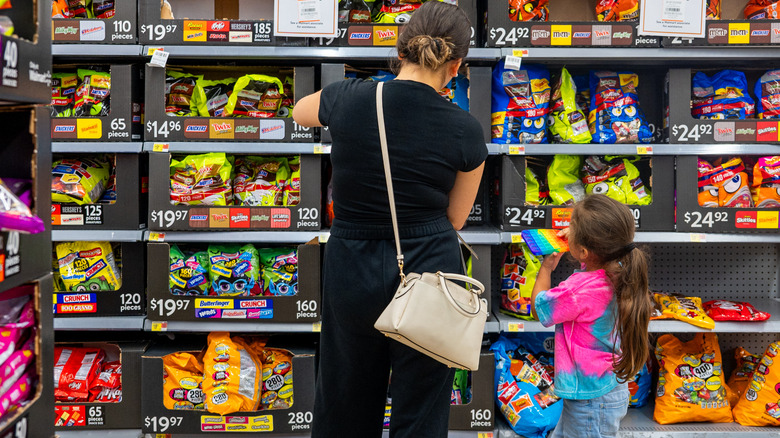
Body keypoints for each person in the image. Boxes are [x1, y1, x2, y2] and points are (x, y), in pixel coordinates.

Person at [292, 2, 487, 437]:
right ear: (456, 66)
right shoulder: (465, 129)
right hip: (431, 269)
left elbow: (300, 110)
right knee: (421, 406)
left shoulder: (347, 98)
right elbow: (456, 217)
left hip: (352, 264)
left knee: (346, 398)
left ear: (400, 51)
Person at [530, 194, 653, 438]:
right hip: (607, 389)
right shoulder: (621, 274)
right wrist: (579, 240)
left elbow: (539, 308)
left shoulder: (577, 290)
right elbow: (594, 260)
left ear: (585, 251)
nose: (567, 231)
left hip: (590, 400)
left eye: (572, 227)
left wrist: (546, 267)